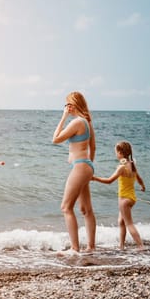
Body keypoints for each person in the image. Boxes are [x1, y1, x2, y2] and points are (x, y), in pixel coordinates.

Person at [52, 91, 96, 253]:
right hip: (86, 166)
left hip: (80, 167)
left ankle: (74, 248)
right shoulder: (88, 122)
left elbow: (55, 139)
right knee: (86, 209)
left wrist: (63, 117)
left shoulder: (77, 122)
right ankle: (91, 247)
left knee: (66, 207)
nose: (67, 108)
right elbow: (93, 147)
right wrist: (89, 169)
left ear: (73, 105)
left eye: (67, 105)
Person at [92, 141, 146, 250]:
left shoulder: (122, 167)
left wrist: (94, 178)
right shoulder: (131, 164)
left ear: (120, 153)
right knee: (121, 221)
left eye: (116, 152)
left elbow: (109, 181)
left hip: (124, 200)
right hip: (131, 198)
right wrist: (142, 186)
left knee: (129, 224)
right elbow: (139, 178)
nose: (116, 155)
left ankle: (141, 246)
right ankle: (121, 246)